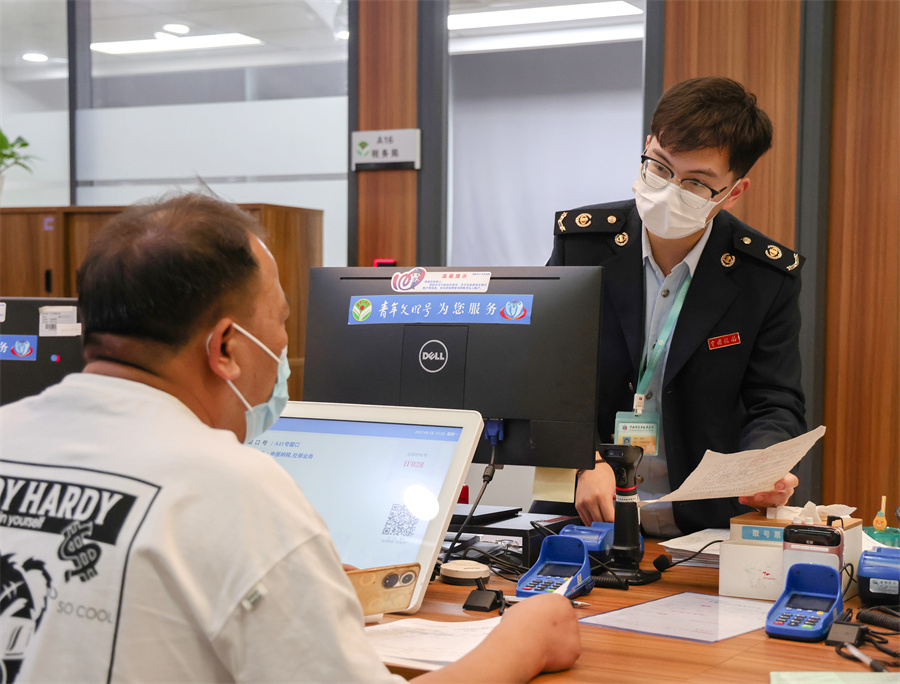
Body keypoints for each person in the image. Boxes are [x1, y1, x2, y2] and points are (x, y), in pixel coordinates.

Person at [0, 193, 580, 683]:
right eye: (280, 321)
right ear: (226, 347)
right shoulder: (232, 489)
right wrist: (524, 642)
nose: (283, 348)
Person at [539, 77, 806, 536]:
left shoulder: (764, 276)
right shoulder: (582, 246)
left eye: (695, 182)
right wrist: (586, 459)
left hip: (702, 526)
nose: (668, 190)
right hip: (584, 512)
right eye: (660, 167)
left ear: (733, 192)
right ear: (647, 147)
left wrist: (762, 466)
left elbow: (775, 403)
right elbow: (545, 374)